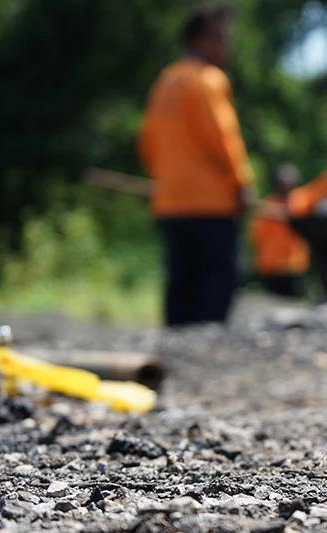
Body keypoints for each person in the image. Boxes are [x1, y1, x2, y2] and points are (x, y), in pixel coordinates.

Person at [138, 4, 254, 327]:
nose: (227, 46)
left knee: (181, 281)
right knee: (218, 279)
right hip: (210, 204)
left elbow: (147, 142)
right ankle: (206, 353)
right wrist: (241, 184)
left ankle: (174, 351)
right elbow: (223, 139)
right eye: (220, 38)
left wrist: (167, 178)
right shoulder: (209, 80)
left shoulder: (165, 81)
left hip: (170, 201)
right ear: (200, 40)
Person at [249, 153, 327, 297]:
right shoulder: (266, 205)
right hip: (271, 268)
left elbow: (322, 187)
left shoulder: (301, 199)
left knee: (294, 303)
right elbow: (255, 235)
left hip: (294, 266)